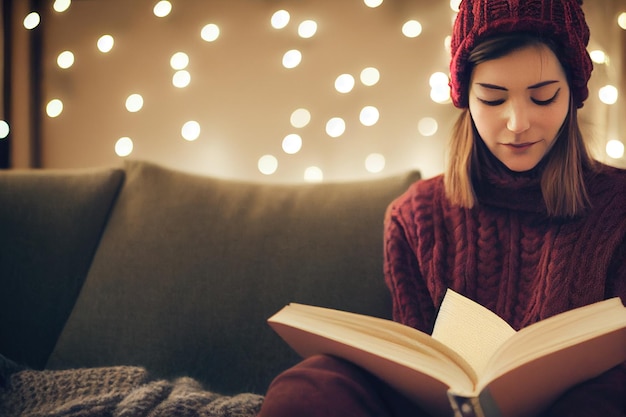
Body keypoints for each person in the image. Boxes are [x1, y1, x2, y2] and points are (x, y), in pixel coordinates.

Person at [257, 0, 626, 416]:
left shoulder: (619, 210)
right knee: (316, 381)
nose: (518, 122)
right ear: (465, 97)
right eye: (492, 99)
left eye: (543, 98)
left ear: (572, 94)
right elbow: (414, 370)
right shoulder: (415, 215)